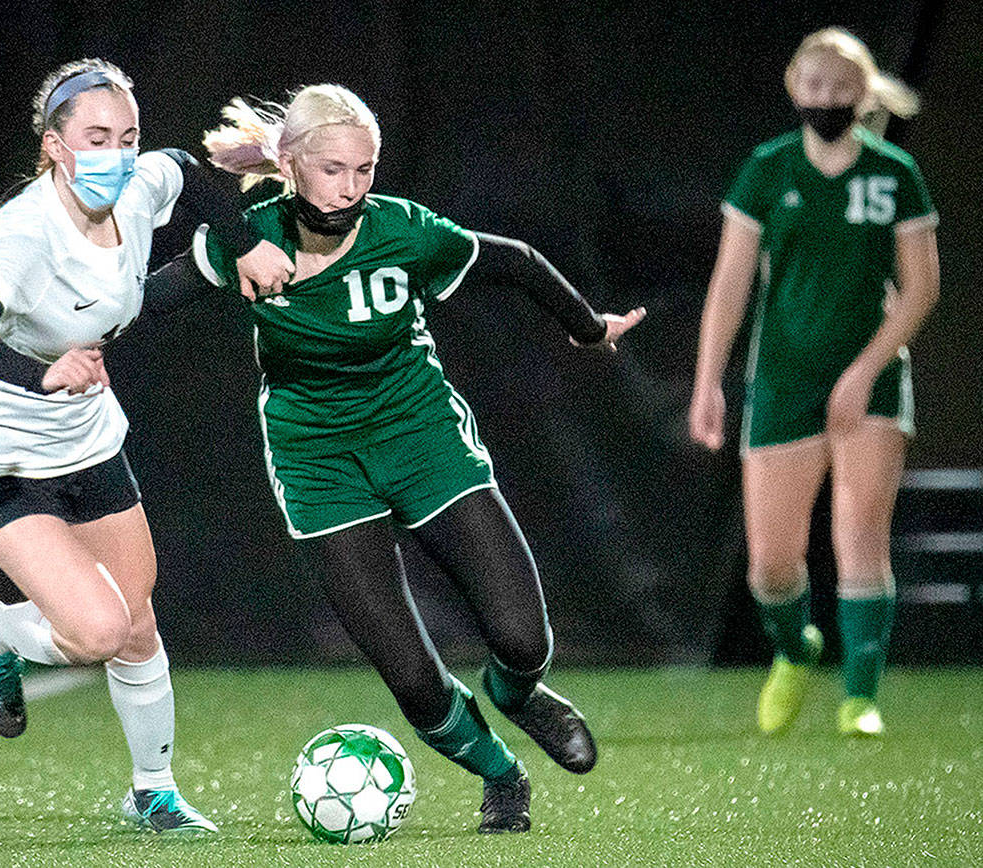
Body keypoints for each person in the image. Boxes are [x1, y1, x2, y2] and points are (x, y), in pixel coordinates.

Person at [146, 84, 645, 833]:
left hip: (423, 439)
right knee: (412, 678)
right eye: (333, 169)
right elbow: (143, 301)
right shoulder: (247, 240)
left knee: (521, 638)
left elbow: (514, 260)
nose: (350, 188)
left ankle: (515, 694)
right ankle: (502, 777)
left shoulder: (403, 231)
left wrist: (587, 326)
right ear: (288, 163)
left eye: (364, 170)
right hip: (318, 462)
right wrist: (58, 334)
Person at [0, 58, 293, 834]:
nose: (116, 153)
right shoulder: (25, 230)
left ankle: (152, 791)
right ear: (55, 145)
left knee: (135, 624)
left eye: (126, 135)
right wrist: (42, 370)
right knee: (94, 632)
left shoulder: (137, 186)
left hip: (86, 437)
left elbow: (190, 171)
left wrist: (245, 242)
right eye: (95, 137)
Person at [689, 28, 939, 738]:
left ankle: (861, 699)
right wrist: (708, 381)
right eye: (815, 85)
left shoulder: (894, 174)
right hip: (784, 381)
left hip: (872, 382)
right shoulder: (767, 170)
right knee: (771, 564)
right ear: (796, 89)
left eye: (841, 87)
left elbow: (922, 288)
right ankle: (795, 649)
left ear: (862, 94)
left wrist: (865, 369)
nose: (827, 98)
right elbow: (731, 284)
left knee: (861, 536)